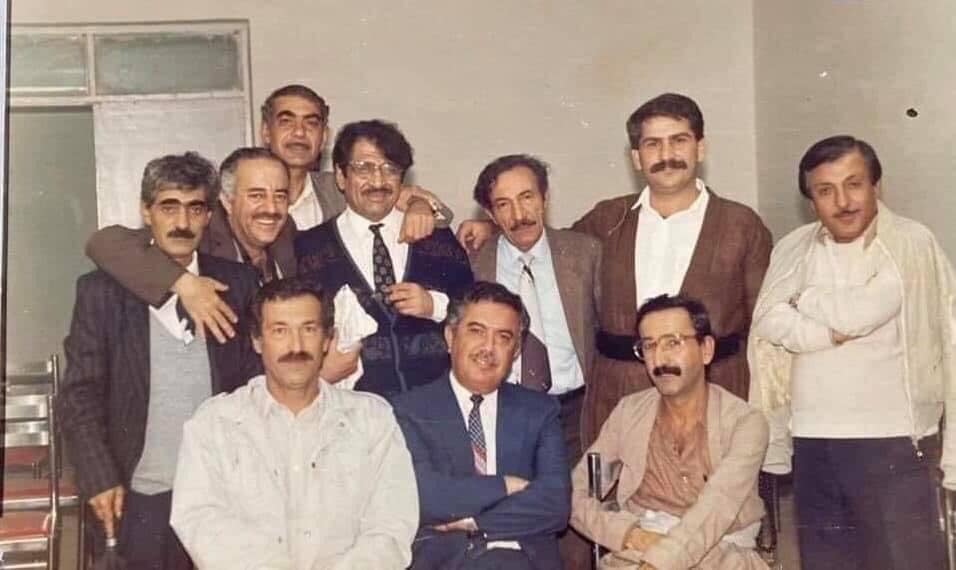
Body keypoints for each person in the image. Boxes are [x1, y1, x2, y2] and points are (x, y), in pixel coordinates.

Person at [458, 93, 772, 445]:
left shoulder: (741, 225)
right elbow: (546, 246)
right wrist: (492, 228)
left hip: (713, 394)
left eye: (679, 141)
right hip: (619, 399)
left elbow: (762, 327)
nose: (666, 155)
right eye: (652, 144)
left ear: (700, 148)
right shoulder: (607, 220)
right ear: (636, 157)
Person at [86, 85, 450, 343]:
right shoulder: (214, 211)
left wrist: (418, 203)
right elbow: (107, 242)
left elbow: (417, 210)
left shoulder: (342, 188)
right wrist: (184, 282)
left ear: (323, 136)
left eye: (311, 123)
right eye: (286, 121)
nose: (299, 133)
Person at [748, 135, 953, 569]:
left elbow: (861, 313)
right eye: (825, 190)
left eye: (853, 184)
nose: (842, 202)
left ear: (877, 186)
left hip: (893, 443)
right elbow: (767, 319)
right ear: (810, 202)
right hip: (813, 441)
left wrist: (804, 297)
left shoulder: (910, 243)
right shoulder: (794, 248)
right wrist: (824, 334)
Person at [58, 152, 260, 568]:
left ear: (209, 216)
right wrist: (99, 476)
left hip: (222, 496)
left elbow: (254, 384)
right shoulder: (101, 292)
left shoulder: (238, 284)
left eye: (195, 208)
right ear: (146, 212)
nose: (182, 222)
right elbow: (79, 395)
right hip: (139, 496)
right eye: (169, 207)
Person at [171, 276, 418, 569]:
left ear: (327, 339)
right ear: (257, 341)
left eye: (309, 329)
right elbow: (200, 520)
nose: (296, 346)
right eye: (280, 331)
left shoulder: (372, 419)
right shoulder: (215, 423)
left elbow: (391, 526)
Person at [572, 294, 768, 570]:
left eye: (673, 343)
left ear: (706, 349)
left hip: (721, 554)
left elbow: (717, 508)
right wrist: (629, 534)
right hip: (638, 550)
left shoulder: (745, 423)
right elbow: (573, 493)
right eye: (649, 346)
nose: (659, 358)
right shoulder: (629, 413)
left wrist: (659, 562)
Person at [390, 281, 571, 569]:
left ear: (516, 350)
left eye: (503, 337)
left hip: (525, 557)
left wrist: (477, 522)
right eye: (477, 331)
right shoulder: (408, 410)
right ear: (450, 336)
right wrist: (505, 485)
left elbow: (555, 504)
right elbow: (425, 497)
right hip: (447, 561)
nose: (489, 347)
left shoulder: (540, 411)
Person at [296, 119, 473, 397]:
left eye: (390, 169)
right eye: (364, 168)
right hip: (353, 408)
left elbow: (477, 309)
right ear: (341, 176)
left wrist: (435, 306)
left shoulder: (436, 237)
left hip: (436, 405)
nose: (378, 181)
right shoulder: (309, 247)